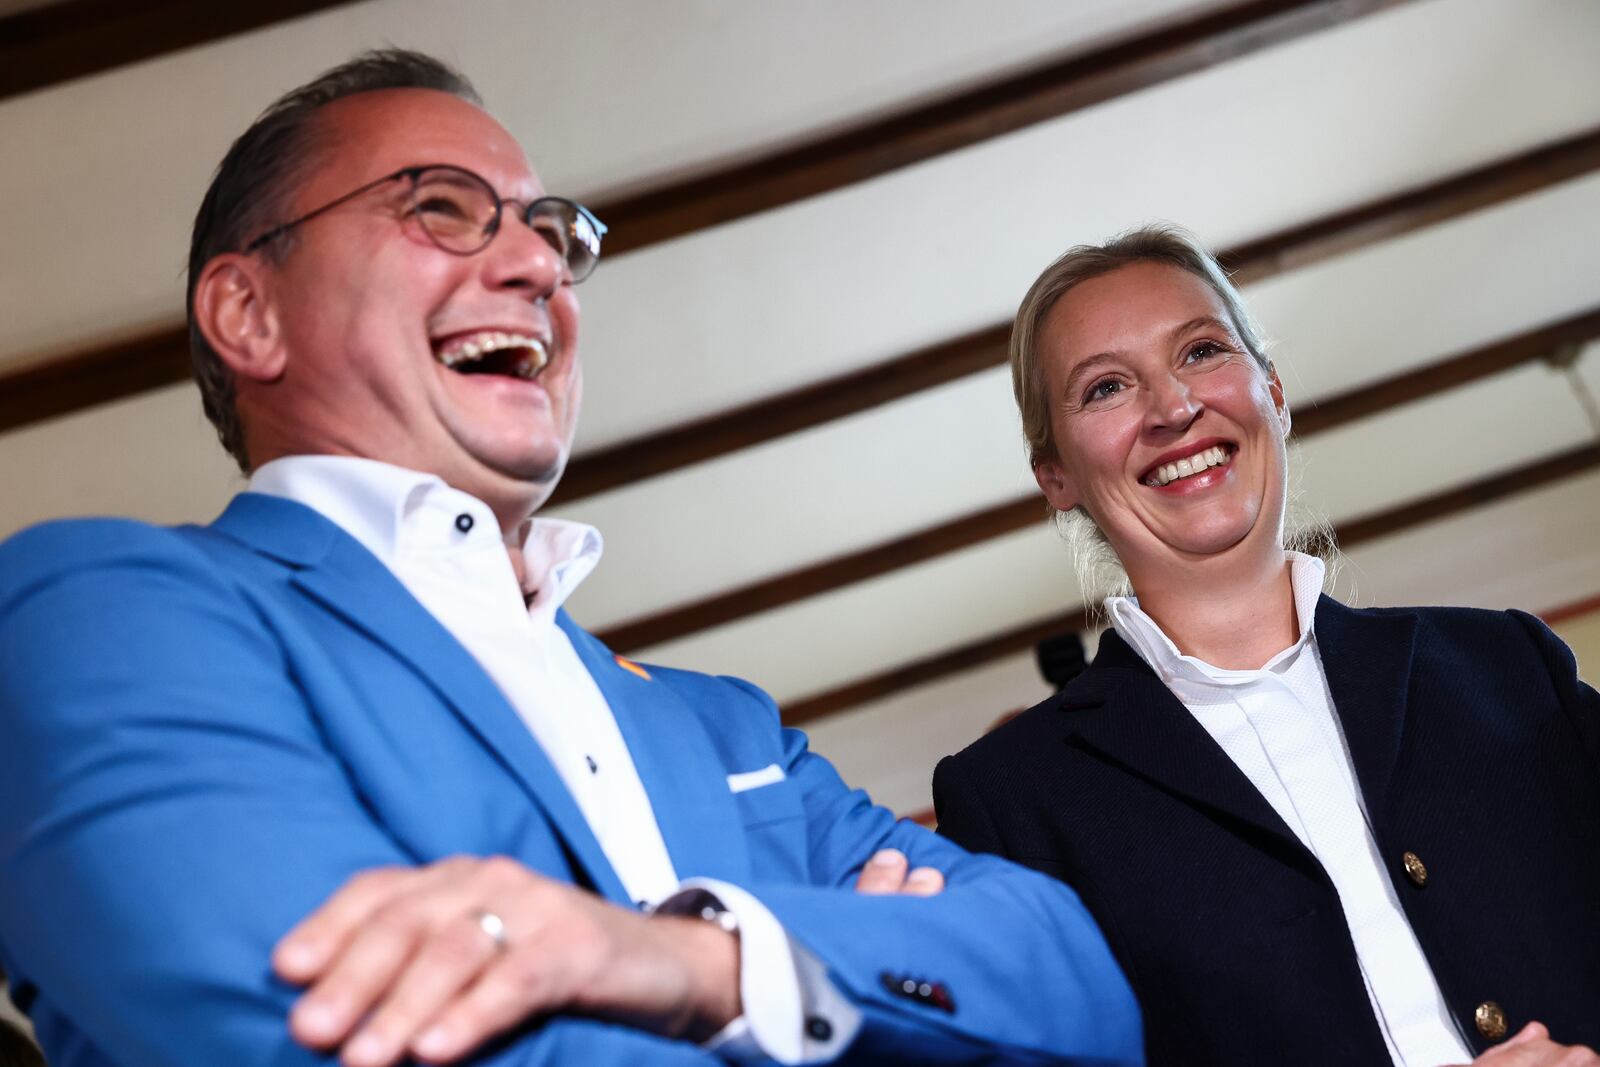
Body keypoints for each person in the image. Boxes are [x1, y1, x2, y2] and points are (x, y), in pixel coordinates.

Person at [0, 50, 1141, 1067]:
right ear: (248, 312)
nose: (538, 265)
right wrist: (835, 1000)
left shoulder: (724, 729)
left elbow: (1076, 989)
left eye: (549, 233)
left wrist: (686, 959)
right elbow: (323, 1034)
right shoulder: (103, 609)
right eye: (442, 209)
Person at [932, 224, 1600, 1066]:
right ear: (1055, 474)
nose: (1174, 407)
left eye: (1203, 350)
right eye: (1105, 388)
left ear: (1273, 393)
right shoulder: (1012, 803)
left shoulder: (1504, 667)